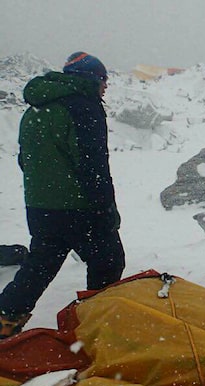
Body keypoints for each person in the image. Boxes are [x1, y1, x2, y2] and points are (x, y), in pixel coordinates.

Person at [0, 52, 125, 339]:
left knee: (40, 266)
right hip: (79, 207)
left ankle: (6, 318)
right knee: (108, 261)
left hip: (41, 208)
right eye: (103, 80)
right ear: (90, 78)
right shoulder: (83, 107)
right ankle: (96, 328)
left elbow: (25, 161)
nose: (105, 86)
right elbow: (93, 165)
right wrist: (106, 211)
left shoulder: (35, 110)